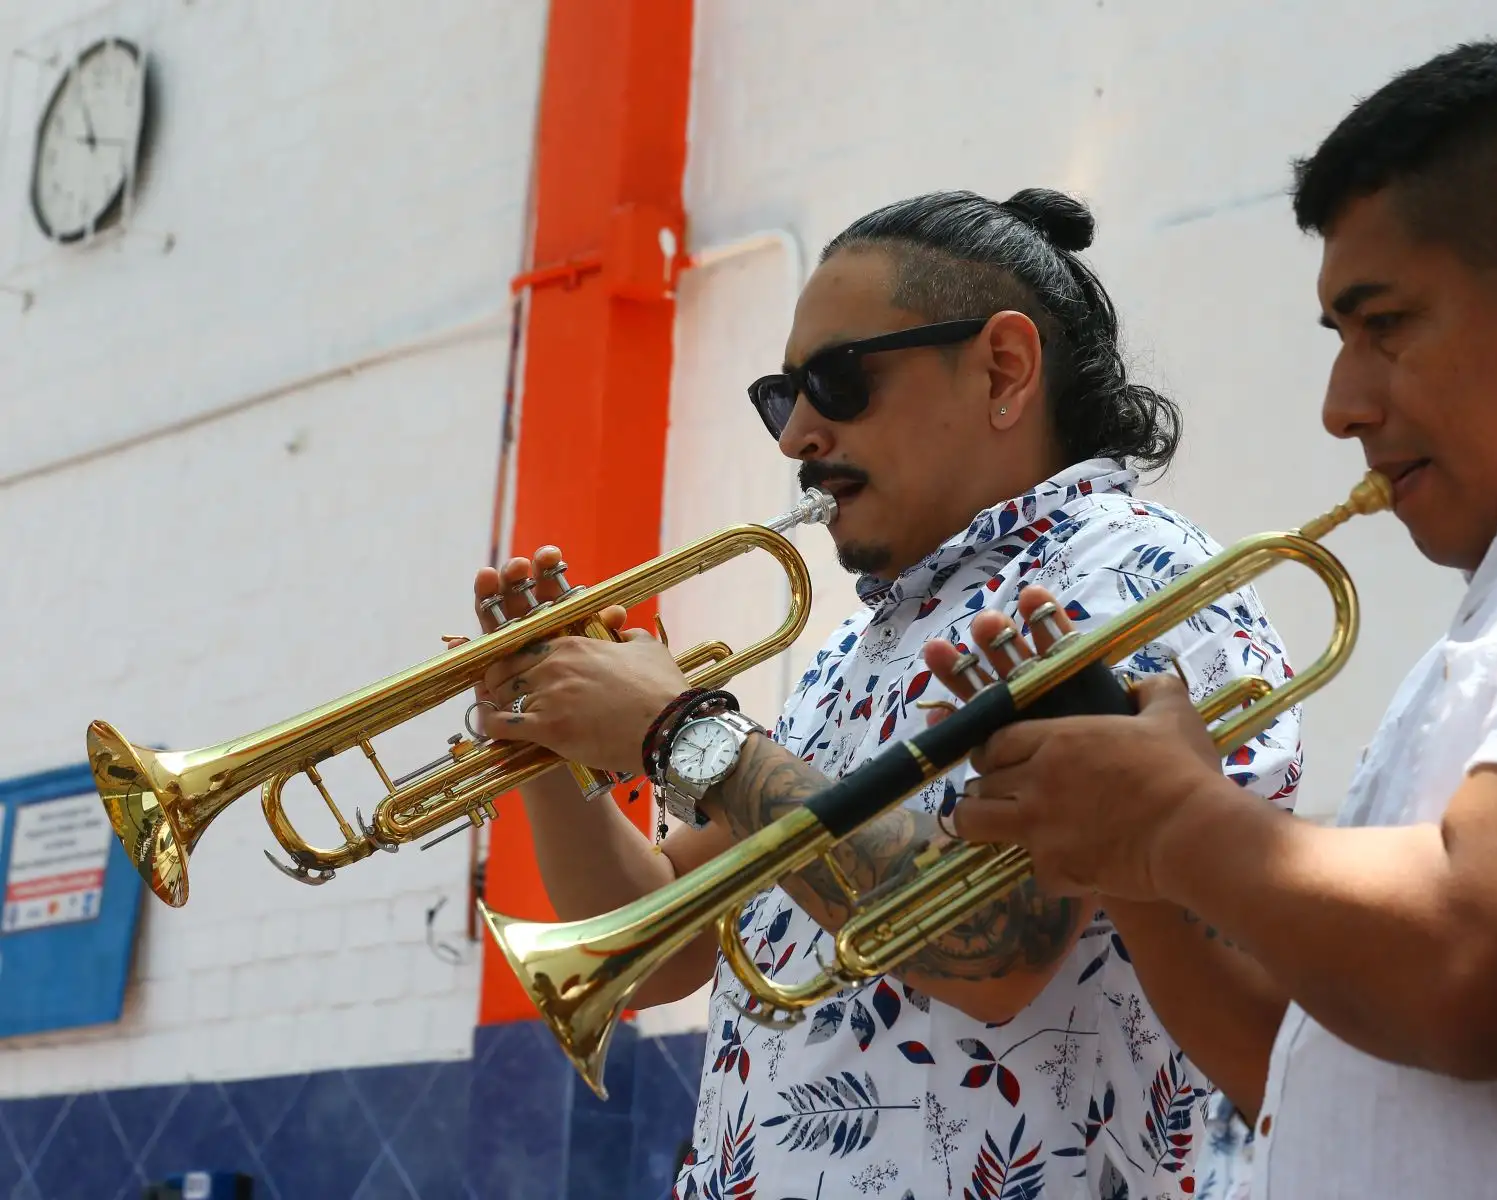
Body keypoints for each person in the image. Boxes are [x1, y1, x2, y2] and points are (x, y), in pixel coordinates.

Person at [921, 37, 1497, 1199]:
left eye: (1384, 325)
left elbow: (1473, 966)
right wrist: (1127, 861)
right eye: (1340, 340)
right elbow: (1288, 1063)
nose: (1344, 405)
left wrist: (1172, 821)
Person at [472, 188, 1305, 1199]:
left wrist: (680, 729)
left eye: (835, 380)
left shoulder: (1136, 583)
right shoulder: (862, 643)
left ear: (1004, 369)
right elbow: (660, 941)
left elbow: (995, 950)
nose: (797, 435)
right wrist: (550, 743)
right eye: (782, 396)